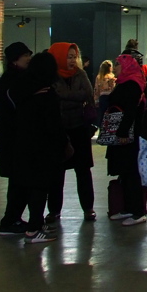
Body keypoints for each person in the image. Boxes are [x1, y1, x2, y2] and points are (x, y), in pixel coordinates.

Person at [45, 42, 97, 224]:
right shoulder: (51, 76)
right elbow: (55, 97)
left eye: (74, 56)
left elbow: (88, 95)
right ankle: (54, 210)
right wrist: (76, 96)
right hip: (58, 130)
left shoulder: (80, 74)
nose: (72, 60)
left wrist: (65, 96)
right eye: (69, 57)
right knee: (56, 173)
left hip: (79, 128)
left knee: (83, 171)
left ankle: (88, 208)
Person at [16, 52, 65, 244]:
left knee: (32, 186)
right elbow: (54, 124)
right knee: (40, 188)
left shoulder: (26, 90)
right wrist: (63, 144)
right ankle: (34, 228)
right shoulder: (46, 93)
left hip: (25, 146)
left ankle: (34, 223)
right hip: (43, 148)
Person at [105, 53, 147, 227]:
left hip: (129, 136)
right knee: (125, 171)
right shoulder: (124, 82)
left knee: (131, 172)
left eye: (117, 64)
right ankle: (128, 207)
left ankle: (138, 210)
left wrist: (123, 132)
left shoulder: (132, 84)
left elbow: (130, 110)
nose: (115, 67)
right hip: (123, 135)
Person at [0, 41, 32, 236]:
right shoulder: (12, 79)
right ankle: (10, 220)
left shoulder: (16, 77)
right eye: (25, 55)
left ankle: (14, 218)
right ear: (15, 59)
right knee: (19, 179)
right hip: (13, 136)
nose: (29, 58)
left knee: (19, 180)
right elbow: (16, 107)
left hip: (15, 134)